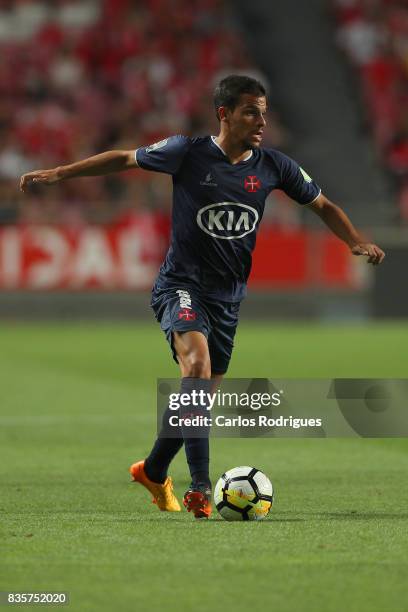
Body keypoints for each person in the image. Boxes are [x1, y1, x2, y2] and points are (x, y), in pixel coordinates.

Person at [20, 74, 385, 519]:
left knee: (196, 400)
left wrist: (352, 241)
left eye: (264, 113)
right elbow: (123, 158)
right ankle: (200, 485)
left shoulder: (274, 166)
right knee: (195, 366)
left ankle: (153, 470)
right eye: (251, 111)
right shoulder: (186, 152)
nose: (260, 122)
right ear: (224, 113)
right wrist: (61, 173)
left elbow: (323, 205)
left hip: (227, 299)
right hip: (181, 285)